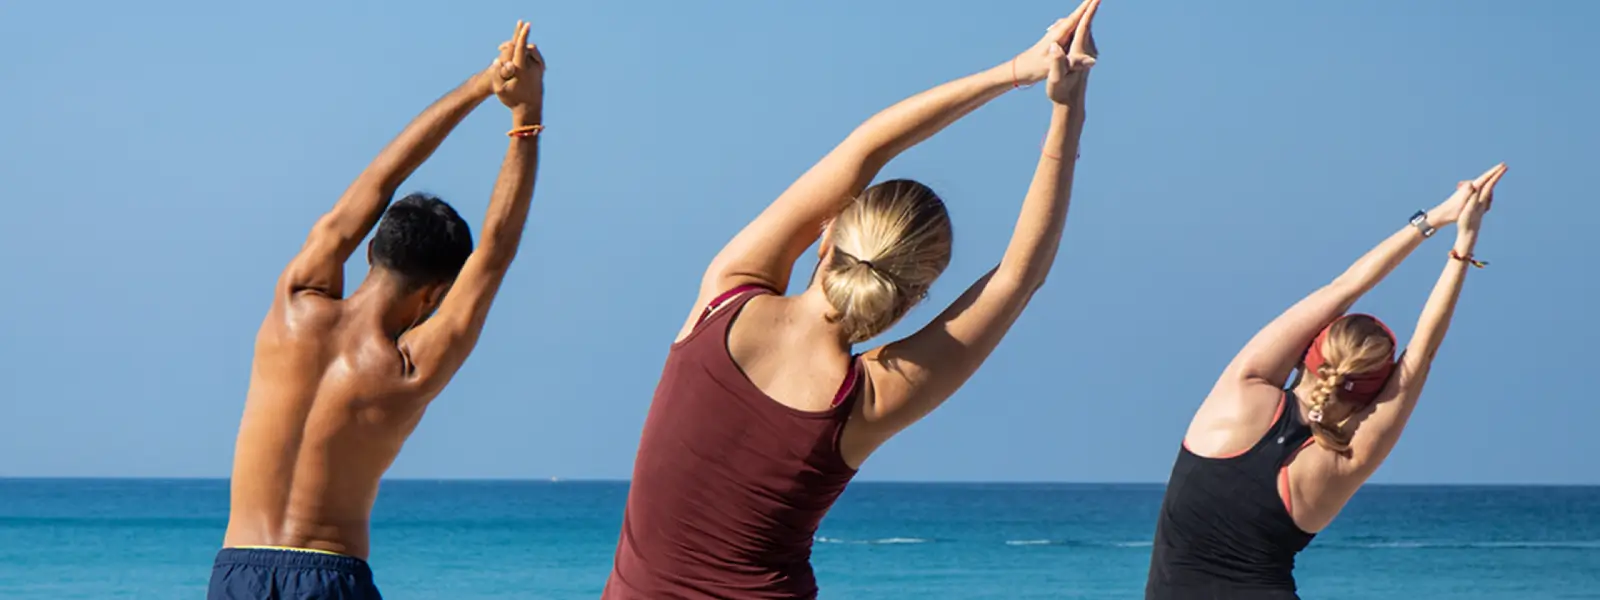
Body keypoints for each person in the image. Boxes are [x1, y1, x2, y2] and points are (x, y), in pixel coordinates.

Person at [601, 2, 1103, 598]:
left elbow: (867, 146)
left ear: (828, 233)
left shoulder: (726, 295)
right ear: (913, 300)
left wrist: (1015, 70)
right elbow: (1017, 278)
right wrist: (1065, 110)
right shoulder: (869, 398)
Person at [207, 22, 546, 600]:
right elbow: (494, 253)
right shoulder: (407, 369)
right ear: (438, 292)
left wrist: (481, 86)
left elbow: (380, 180)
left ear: (369, 250)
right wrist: (526, 120)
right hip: (328, 577)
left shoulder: (295, 304)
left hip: (235, 572)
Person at [1145, 163, 1508, 600]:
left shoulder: (1242, 390)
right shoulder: (1347, 458)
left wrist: (1437, 217)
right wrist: (1465, 243)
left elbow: (1344, 287)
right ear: (1373, 393)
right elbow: (1422, 356)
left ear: (1306, 352)